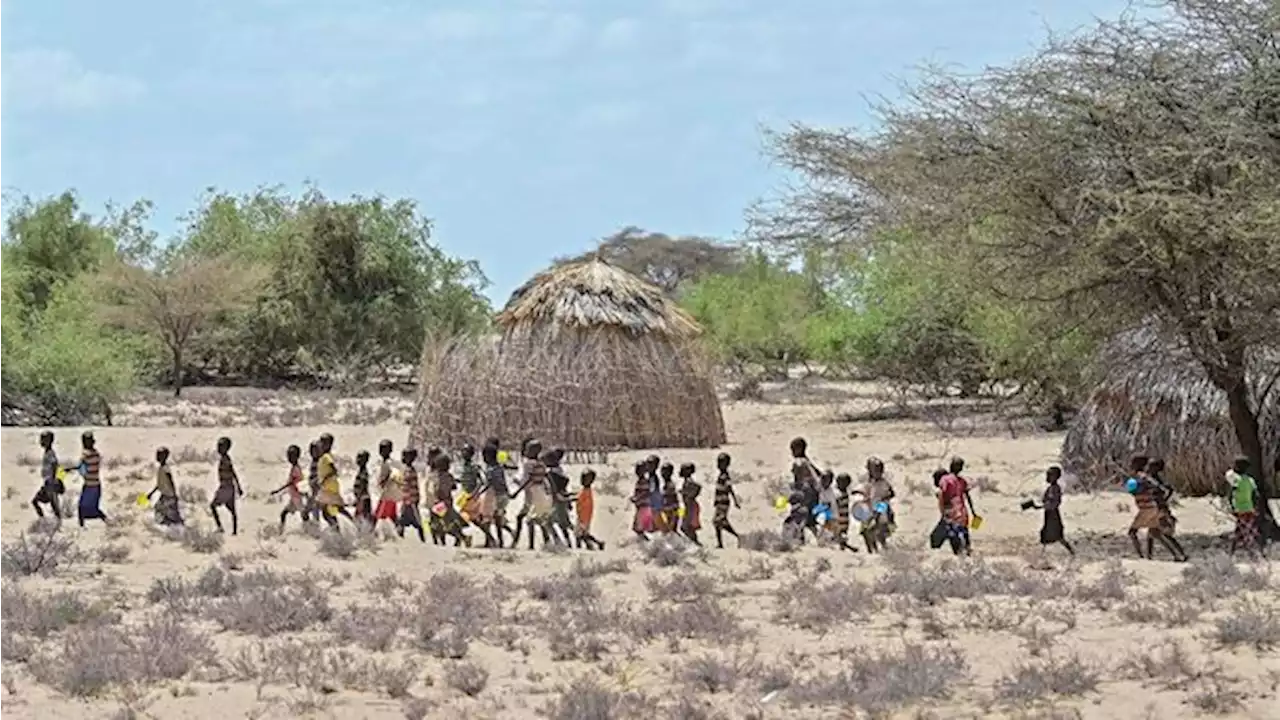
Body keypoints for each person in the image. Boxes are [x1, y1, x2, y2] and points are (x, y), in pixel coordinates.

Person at [1145, 458, 1188, 560]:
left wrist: (1162, 501)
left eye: (1151, 466)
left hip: (1160, 510)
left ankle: (1179, 554)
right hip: (1156, 509)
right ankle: (1149, 557)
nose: (1148, 468)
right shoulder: (1152, 480)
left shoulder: (1156, 481)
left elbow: (1168, 491)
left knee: (1163, 534)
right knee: (1152, 534)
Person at [515, 439, 554, 549]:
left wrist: (516, 490)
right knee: (538, 519)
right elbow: (545, 479)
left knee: (528, 519)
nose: (526, 451)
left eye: (528, 449)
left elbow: (527, 480)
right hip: (540, 493)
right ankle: (546, 541)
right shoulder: (541, 463)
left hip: (532, 494)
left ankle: (530, 545)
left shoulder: (528, 464)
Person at [1026, 466, 1073, 556]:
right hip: (1050, 514)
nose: (1047, 477)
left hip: (1053, 515)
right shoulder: (1051, 488)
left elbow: (1055, 502)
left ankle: (1070, 552)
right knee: (1049, 534)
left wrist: (1041, 506)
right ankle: (1043, 554)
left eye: (1050, 475)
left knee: (1055, 535)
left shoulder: (1055, 489)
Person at [429, 452, 471, 547]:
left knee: (437, 523)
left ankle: (460, 538)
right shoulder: (449, 476)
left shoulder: (439, 477)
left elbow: (438, 490)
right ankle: (460, 538)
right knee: (445, 523)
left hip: (441, 503)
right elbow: (454, 487)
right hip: (447, 503)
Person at [938, 457, 976, 555]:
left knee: (953, 537)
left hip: (951, 513)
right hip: (963, 513)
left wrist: (942, 512)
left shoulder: (945, 479)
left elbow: (942, 495)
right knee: (965, 535)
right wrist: (973, 512)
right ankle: (968, 555)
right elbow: (968, 497)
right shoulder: (962, 481)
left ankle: (958, 556)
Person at [1228, 456, 1264, 558]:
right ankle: (1252, 553)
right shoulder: (1250, 480)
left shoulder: (1236, 480)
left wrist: (1232, 507)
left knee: (1242, 532)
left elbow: (1230, 495)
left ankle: (1235, 553)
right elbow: (1256, 495)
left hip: (1240, 509)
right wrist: (1255, 507)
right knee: (1248, 531)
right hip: (1249, 509)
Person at [314, 433, 351, 530]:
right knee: (333, 508)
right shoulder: (325, 456)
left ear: (328, 445)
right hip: (329, 486)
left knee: (327, 511)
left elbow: (333, 469)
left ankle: (336, 528)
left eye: (322, 443)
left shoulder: (326, 456)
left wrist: (324, 479)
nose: (320, 445)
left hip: (328, 487)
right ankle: (342, 524)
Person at [482, 442, 514, 548]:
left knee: (487, 519)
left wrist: (477, 493)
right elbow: (503, 481)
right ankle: (500, 541)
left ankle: (490, 541)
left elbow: (489, 483)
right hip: (503, 495)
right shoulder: (499, 467)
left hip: (495, 496)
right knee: (497, 519)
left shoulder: (491, 469)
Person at [210, 436, 243, 535]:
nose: (218, 448)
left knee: (213, 506)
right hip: (229, 487)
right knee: (232, 509)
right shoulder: (225, 458)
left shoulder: (225, 459)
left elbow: (233, 472)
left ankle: (220, 527)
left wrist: (238, 486)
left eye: (221, 447)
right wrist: (238, 487)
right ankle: (234, 531)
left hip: (225, 487)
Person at [270, 444, 307, 530]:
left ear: (297, 456)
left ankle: (310, 531)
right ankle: (281, 530)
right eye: (288, 456)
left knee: (304, 516)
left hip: (297, 497)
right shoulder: (294, 467)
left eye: (291, 456)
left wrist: (278, 490)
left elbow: (291, 483)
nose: (289, 458)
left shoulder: (296, 469)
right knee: (284, 514)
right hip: (294, 497)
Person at [31, 431, 64, 520]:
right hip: (48, 482)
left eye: (43, 440)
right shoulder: (48, 452)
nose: (41, 442)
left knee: (52, 503)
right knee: (49, 502)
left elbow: (55, 465)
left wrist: (54, 480)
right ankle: (45, 519)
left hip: (50, 482)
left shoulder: (50, 453)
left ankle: (52, 520)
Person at [711, 452, 741, 549]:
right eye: (718, 462)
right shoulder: (721, 475)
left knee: (718, 522)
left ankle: (735, 536)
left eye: (721, 463)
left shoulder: (725, 476)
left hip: (723, 502)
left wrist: (735, 500)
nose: (718, 465)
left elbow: (729, 488)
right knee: (719, 522)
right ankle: (721, 543)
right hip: (720, 502)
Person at [147, 446, 183, 526]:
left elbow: (170, 480)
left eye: (160, 455)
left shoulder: (165, 468)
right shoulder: (161, 468)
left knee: (171, 514)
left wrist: (174, 493)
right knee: (160, 509)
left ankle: (176, 528)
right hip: (165, 494)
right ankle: (166, 525)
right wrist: (152, 493)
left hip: (169, 495)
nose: (157, 457)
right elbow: (159, 484)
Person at [546, 448, 575, 546]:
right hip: (560, 500)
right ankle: (567, 542)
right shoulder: (559, 471)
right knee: (562, 524)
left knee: (557, 523)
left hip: (556, 501)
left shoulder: (551, 474)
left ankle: (561, 541)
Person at [398, 448, 426, 542]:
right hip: (407, 500)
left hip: (411, 500)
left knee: (418, 522)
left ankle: (423, 540)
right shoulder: (407, 469)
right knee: (402, 521)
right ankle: (400, 538)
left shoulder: (410, 471)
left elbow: (411, 486)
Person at [373, 439, 401, 530]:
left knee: (378, 515)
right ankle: (400, 533)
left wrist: (384, 482)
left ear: (390, 450)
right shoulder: (384, 463)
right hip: (389, 494)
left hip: (387, 494)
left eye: (385, 449)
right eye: (381, 449)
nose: (382, 451)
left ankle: (370, 534)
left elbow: (394, 475)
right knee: (392, 516)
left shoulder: (389, 463)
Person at [864, 457, 897, 531]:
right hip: (871, 508)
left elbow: (892, 493)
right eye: (875, 471)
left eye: (879, 471)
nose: (878, 473)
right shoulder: (869, 483)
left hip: (882, 507)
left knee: (880, 526)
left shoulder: (884, 483)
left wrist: (885, 498)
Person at [575, 469, 604, 550]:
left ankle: (581, 548)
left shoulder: (586, 492)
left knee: (580, 535)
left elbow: (584, 505)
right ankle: (594, 544)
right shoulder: (586, 490)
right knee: (583, 534)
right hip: (583, 517)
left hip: (583, 517)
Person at [678, 462, 702, 546]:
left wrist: (690, 495)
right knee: (687, 526)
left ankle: (695, 543)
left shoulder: (689, 481)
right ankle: (694, 543)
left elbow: (698, 487)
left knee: (685, 527)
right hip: (688, 506)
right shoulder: (687, 481)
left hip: (690, 507)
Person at [631, 460, 655, 542]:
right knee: (638, 527)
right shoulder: (641, 481)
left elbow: (645, 493)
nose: (637, 472)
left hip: (644, 506)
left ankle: (646, 543)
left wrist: (636, 498)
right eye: (637, 469)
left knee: (639, 528)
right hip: (642, 506)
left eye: (640, 470)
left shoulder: (644, 481)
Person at [352, 450, 373, 526]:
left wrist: (358, 499)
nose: (358, 460)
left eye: (361, 458)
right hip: (361, 499)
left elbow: (363, 486)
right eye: (357, 457)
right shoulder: (361, 472)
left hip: (363, 499)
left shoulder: (364, 473)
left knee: (363, 518)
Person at [658, 461, 679, 535]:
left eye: (666, 472)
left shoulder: (670, 485)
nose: (663, 473)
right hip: (669, 510)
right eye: (662, 471)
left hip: (672, 510)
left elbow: (671, 499)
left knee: (672, 528)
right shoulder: (666, 484)